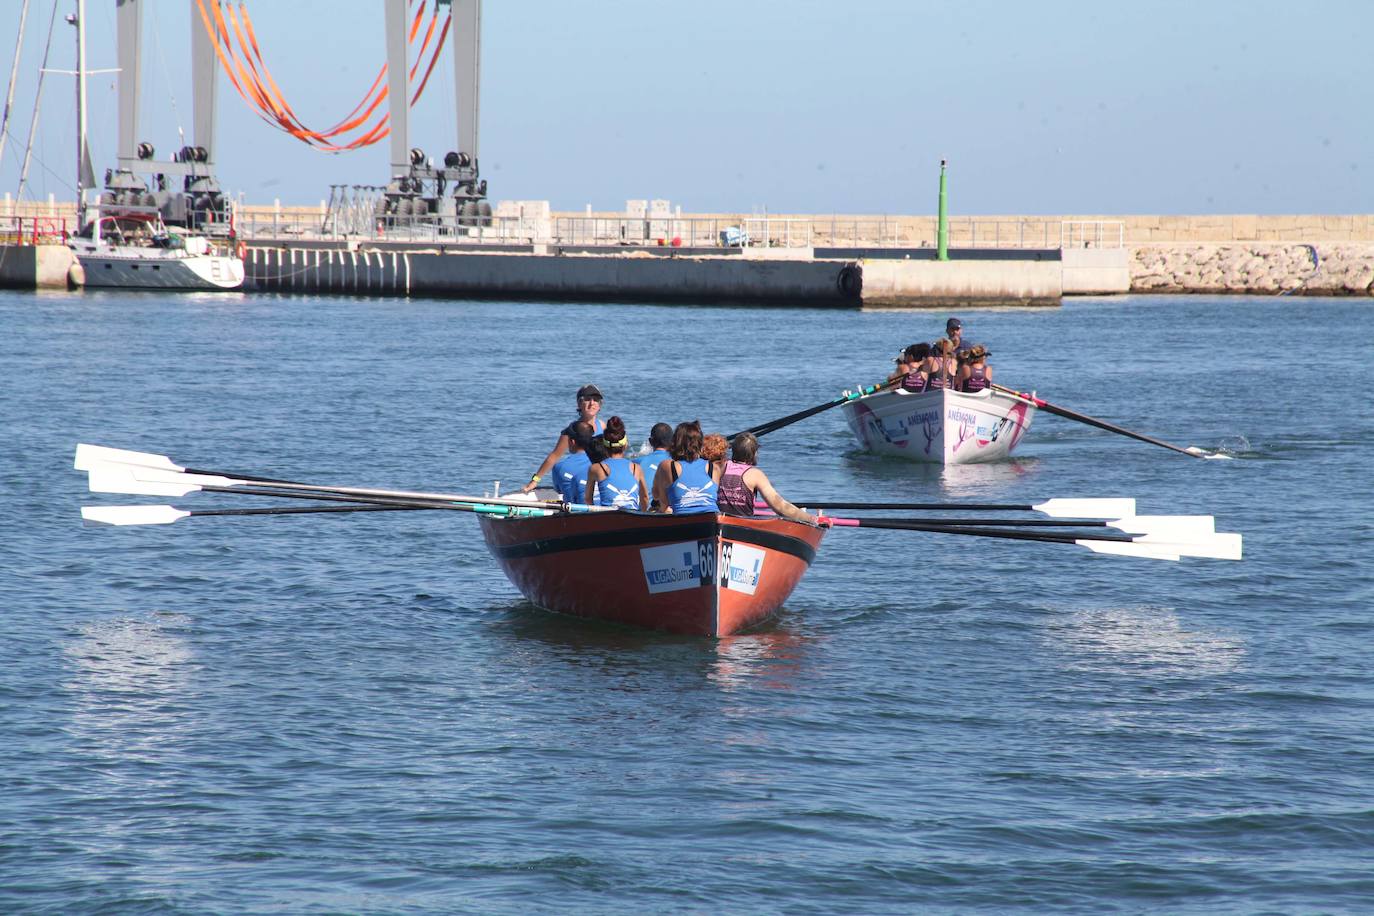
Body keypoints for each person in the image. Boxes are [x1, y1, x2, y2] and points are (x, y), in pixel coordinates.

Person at [715, 432, 821, 525]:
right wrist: (810, 518)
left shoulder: (718, 467)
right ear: (754, 453)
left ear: (733, 450)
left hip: (717, 523)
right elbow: (779, 506)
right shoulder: (755, 474)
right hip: (742, 527)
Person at [522, 384, 607, 493]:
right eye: (587, 399)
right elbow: (554, 456)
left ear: (600, 405)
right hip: (581, 480)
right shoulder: (572, 430)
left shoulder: (602, 426)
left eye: (595, 400)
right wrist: (535, 480)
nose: (592, 403)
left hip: (599, 477)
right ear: (579, 404)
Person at [651, 420, 718, 515]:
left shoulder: (667, 465)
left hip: (683, 520)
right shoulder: (713, 467)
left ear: (675, 443)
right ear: (700, 444)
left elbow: (657, 497)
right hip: (712, 516)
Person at [584, 416, 648, 510]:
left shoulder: (595, 468)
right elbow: (645, 498)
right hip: (633, 518)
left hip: (607, 518)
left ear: (604, 445)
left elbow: (588, 500)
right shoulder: (636, 468)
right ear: (625, 445)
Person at [551, 421, 594, 503]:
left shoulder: (559, 467)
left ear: (572, 442)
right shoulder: (601, 463)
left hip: (574, 512)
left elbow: (559, 491)